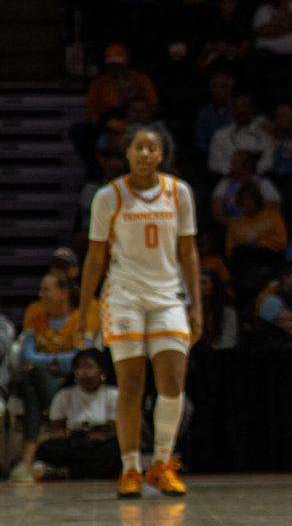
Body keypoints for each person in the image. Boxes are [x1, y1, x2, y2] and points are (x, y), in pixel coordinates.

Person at [77, 123, 199, 499]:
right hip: (124, 295)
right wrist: (85, 311)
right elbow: (95, 258)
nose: (145, 154)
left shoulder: (179, 193)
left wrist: (196, 305)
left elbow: (188, 252)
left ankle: (162, 463)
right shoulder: (108, 197)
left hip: (167, 296)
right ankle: (130, 467)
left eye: (152, 148)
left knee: (173, 384)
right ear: (126, 153)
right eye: (139, 148)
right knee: (131, 384)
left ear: (162, 155)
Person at [9, 272, 101, 483]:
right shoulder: (36, 318)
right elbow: (25, 356)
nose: (40, 294)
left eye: (46, 290)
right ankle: (32, 459)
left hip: (71, 385)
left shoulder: (79, 319)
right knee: (31, 376)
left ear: (63, 293)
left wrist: (48, 360)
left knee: (33, 377)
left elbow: (82, 357)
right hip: (43, 385)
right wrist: (59, 362)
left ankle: (27, 459)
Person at [34, 349, 121, 481]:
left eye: (89, 367)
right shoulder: (63, 395)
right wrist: (69, 435)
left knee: (115, 449)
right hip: (74, 441)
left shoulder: (113, 394)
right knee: (46, 448)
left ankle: (69, 472)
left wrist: (101, 436)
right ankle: (73, 471)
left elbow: (115, 429)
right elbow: (57, 429)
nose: (84, 372)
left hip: (101, 442)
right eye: (80, 367)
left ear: (102, 371)